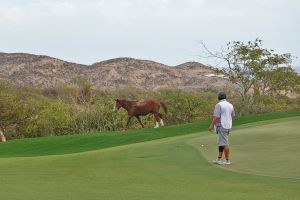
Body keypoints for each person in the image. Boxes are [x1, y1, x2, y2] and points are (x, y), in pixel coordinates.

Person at [208, 92, 235, 165]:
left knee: (224, 143)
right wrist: (229, 123)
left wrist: (211, 126)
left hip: (222, 125)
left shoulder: (219, 105)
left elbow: (216, 117)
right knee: (221, 143)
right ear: (225, 97)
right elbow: (232, 116)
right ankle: (219, 159)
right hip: (227, 125)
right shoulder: (230, 105)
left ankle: (227, 160)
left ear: (218, 98)